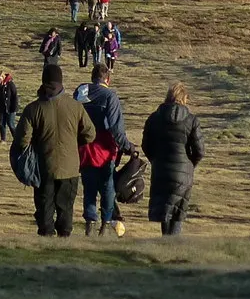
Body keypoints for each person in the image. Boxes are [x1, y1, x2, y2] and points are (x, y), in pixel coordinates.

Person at [12, 64, 96, 238]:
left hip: (44, 167)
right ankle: (64, 242)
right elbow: (90, 134)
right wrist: (74, 143)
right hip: (70, 168)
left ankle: (46, 241)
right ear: (61, 81)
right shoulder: (76, 106)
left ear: (43, 82)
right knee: (66, 208)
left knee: (45, 209)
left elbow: (22, 140)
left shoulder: (33, 109)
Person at [78, 65, 137, 237]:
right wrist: (128, 147)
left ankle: (89, 223)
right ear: (107, 79)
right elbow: (115, 128)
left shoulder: (81, 92)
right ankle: (105, 223)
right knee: (107, 189)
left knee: (89, 189)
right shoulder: (110, 96)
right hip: (104, 150)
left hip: (84, 149)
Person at [142, 81, 205, 236]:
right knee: (178, 212)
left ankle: (166, 243)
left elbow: (146, 145)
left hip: (161, 170)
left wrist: (155, 159)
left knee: (165, 211)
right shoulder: (192, 120)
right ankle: (173, 246)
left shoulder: (154, 118)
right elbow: (200, 151)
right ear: (184, 99)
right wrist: (189, 164)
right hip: (183, 173)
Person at [0, 72, 20, 142]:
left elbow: (15, 97)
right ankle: (3, 139)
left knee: (10, 123)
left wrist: (14, 108)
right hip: (2, 108)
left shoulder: (10, 84)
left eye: (0, 79)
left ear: (3, 77)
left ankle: (16, 139)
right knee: (1, 123)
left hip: (11, 108)